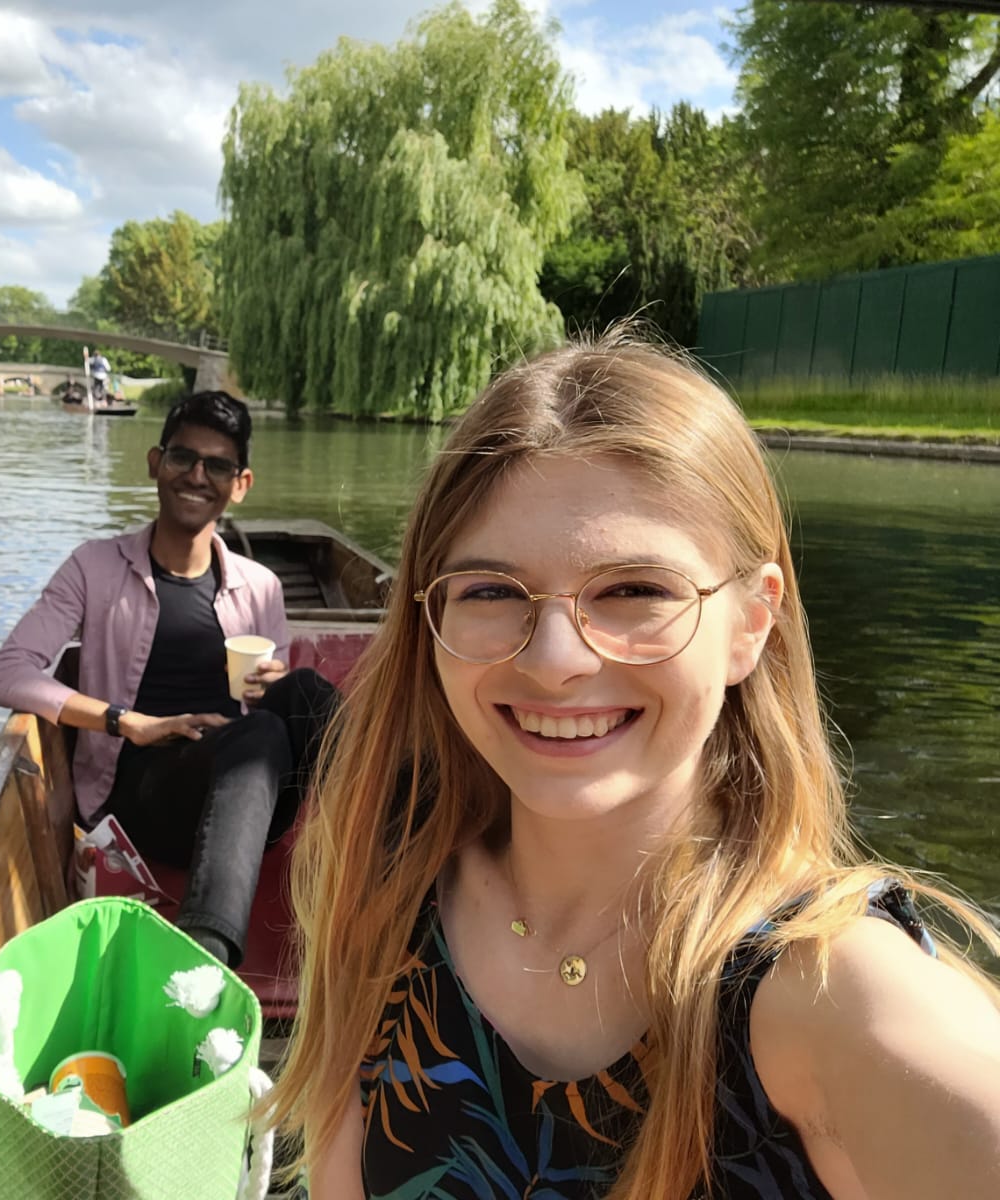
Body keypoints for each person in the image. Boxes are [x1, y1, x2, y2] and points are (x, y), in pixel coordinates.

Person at [278, 332, 1000, 1199]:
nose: (552, 660)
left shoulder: (831, 994)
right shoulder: (382, 888)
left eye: (634, 591)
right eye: (492, 592)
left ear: (751, 622)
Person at [0, 391, 340, 967]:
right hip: (143, 797)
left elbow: (260, 705)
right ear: (155, 463)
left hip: (245, 792)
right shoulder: (94, 566)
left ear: (240, 483)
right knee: (261, 738)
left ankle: (415, 850)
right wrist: (131, 722)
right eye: (182, 458)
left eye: (217, 465)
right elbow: (6, 673)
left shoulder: (261, 586)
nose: (197, 476)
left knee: (303, 692)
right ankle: (205, 960)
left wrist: (269, 682)